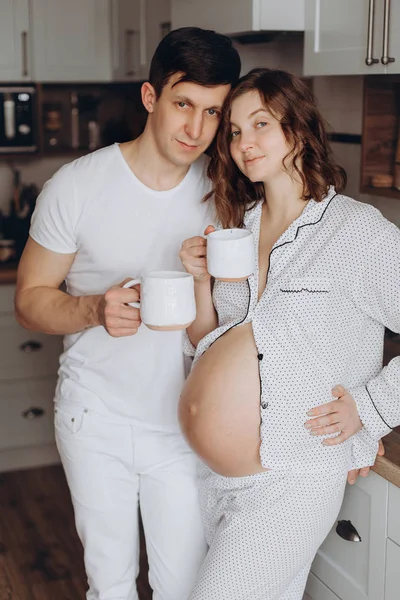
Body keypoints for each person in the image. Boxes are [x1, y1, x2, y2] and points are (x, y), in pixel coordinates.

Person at [14, 28, 241, 600]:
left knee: (185, 588)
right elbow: (29, 300)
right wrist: (93, 308)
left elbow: (234, 325)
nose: (195, 129)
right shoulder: (76, 187)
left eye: (213, 112)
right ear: (150, 98)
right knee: (110, 586)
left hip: (185, 424)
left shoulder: (224, 196)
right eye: (183, 104)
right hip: (96, 420)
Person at [178, 68, 400, 600]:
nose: (242, 143)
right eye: (233, 130)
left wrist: (370, 410)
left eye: (261, 124)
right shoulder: (240, 226)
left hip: (292, 474)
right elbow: (208, 342)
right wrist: (199, 281)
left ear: (299, 129)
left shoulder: (357, 232)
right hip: (217, 480)